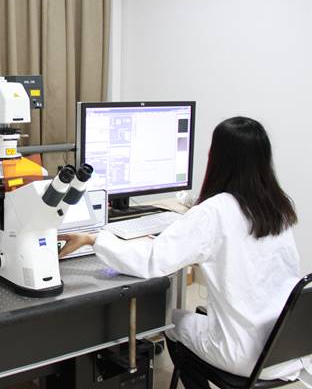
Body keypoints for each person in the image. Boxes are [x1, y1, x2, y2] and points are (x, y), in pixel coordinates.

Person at [59, 117, 311, 387]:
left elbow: (152, 261)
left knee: (171, 321)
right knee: (198, 317)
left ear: (219, 158)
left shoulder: (215, 212)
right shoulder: (277, 206)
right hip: (285, 349)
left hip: (244, 354)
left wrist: (94, 239)